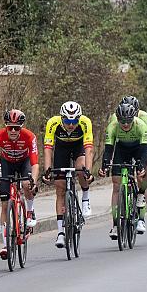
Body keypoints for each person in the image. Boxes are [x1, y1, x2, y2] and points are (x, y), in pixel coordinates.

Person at [0, 109, 39, 260]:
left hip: (25, 162)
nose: (14, 131)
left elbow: (35, 163)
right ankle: (5, 245)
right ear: (6, 126)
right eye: (11, 127)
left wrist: (33, 181)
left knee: (25, 183)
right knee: (4, 204)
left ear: (22, 127)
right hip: (7, 163)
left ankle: (30, 211)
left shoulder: (29, 136)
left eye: (17, 128)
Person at [42, 101, 93, 248]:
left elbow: (89, 148)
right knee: (59, 188)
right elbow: (48, 148)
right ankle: (60, 233)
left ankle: (85, 198)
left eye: (74, 121)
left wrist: (88, 171)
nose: (71, 124)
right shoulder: (53, 123)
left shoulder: (85, 122)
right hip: (62, 148)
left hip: (78, 147)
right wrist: (48, 170)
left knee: (81, 168)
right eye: (68, 121)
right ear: (62, 118)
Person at [101, 103, 147, 238]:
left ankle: (141, 217)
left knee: (141, 176)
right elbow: (109, 149)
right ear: (117, 119)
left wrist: (141, 166)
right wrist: (104, 165)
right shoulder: (112, 126)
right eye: (122, 121)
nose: (125, 124)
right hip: (122, 150)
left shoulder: (141, 125)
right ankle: (116, 225)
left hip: (138, 148)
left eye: (128, 121)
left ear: (133, 118)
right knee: (116, 185)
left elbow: (144, 149)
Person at [108, 96, 147, 212]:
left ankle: (142, 193)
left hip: (141, 143)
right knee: (117, 182)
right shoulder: (114, 117)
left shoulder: (145, 117)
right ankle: (116, 219)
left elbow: (146, 141)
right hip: (123, 145)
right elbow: (112, 136)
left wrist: (142, 164)